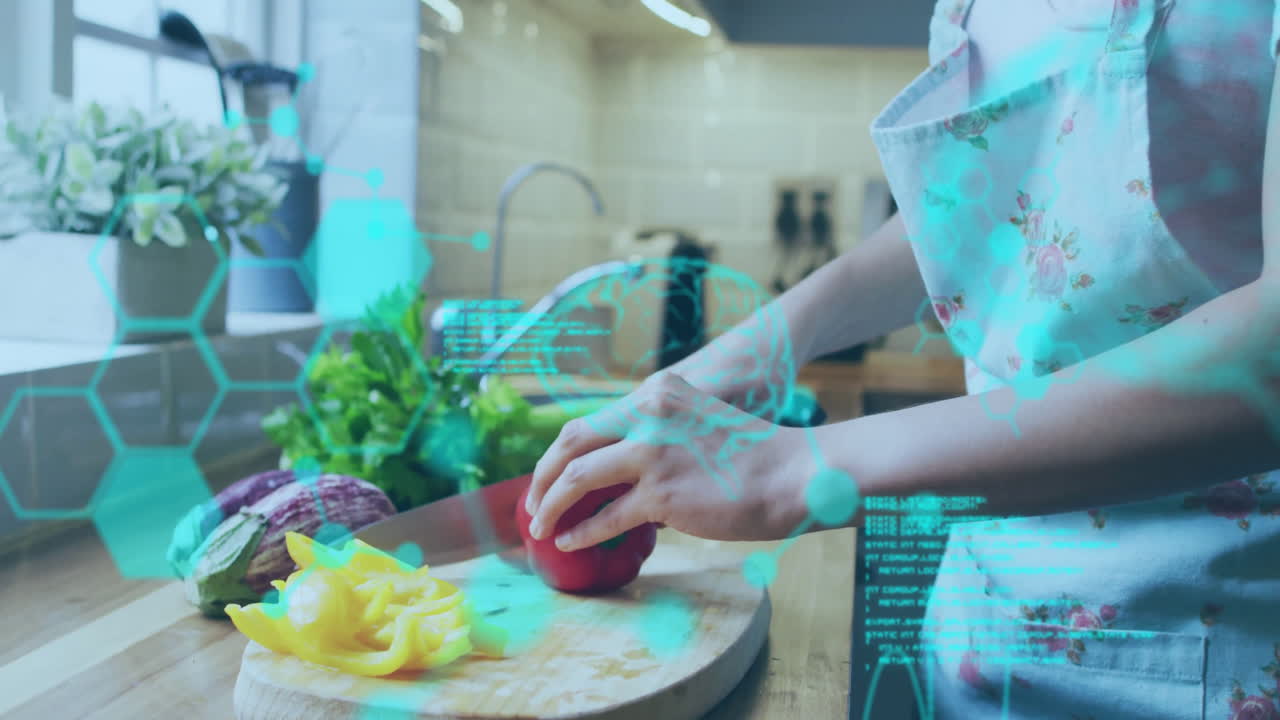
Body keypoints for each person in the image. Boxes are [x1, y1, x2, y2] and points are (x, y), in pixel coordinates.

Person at [522, 0, 1280, 717]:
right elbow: (982, 218)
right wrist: (759, 347)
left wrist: (794, 468)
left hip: (1213, 652)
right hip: (981, 623)